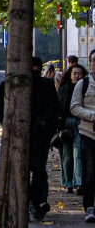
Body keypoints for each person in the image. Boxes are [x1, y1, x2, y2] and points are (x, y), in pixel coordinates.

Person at [0, 56, 60, 222]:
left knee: (38, 171)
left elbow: (55, 109)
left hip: (39, 137)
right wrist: (9, 124)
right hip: (21, 136)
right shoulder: (9, 84)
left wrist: (44, 126)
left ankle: (34, 202)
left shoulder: (45, 85)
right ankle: (29, 202)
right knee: (25, 170)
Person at [73, 50, 95, 222]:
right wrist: (92, 116)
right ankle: (89, 207)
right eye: (94, 60)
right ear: (90, 63)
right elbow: (74, 107)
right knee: (89, 172)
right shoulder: (83, 84)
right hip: (88, 133)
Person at [59, 63, 87, 193]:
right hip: (66, 123)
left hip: (81, 122)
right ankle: (67, 182)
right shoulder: (64, 88)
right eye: (74, 73)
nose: (77, 76)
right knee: (67, 155)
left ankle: (78, 182)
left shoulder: (85, 88)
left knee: (78, 153)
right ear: (70, 75)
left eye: (79, 74)